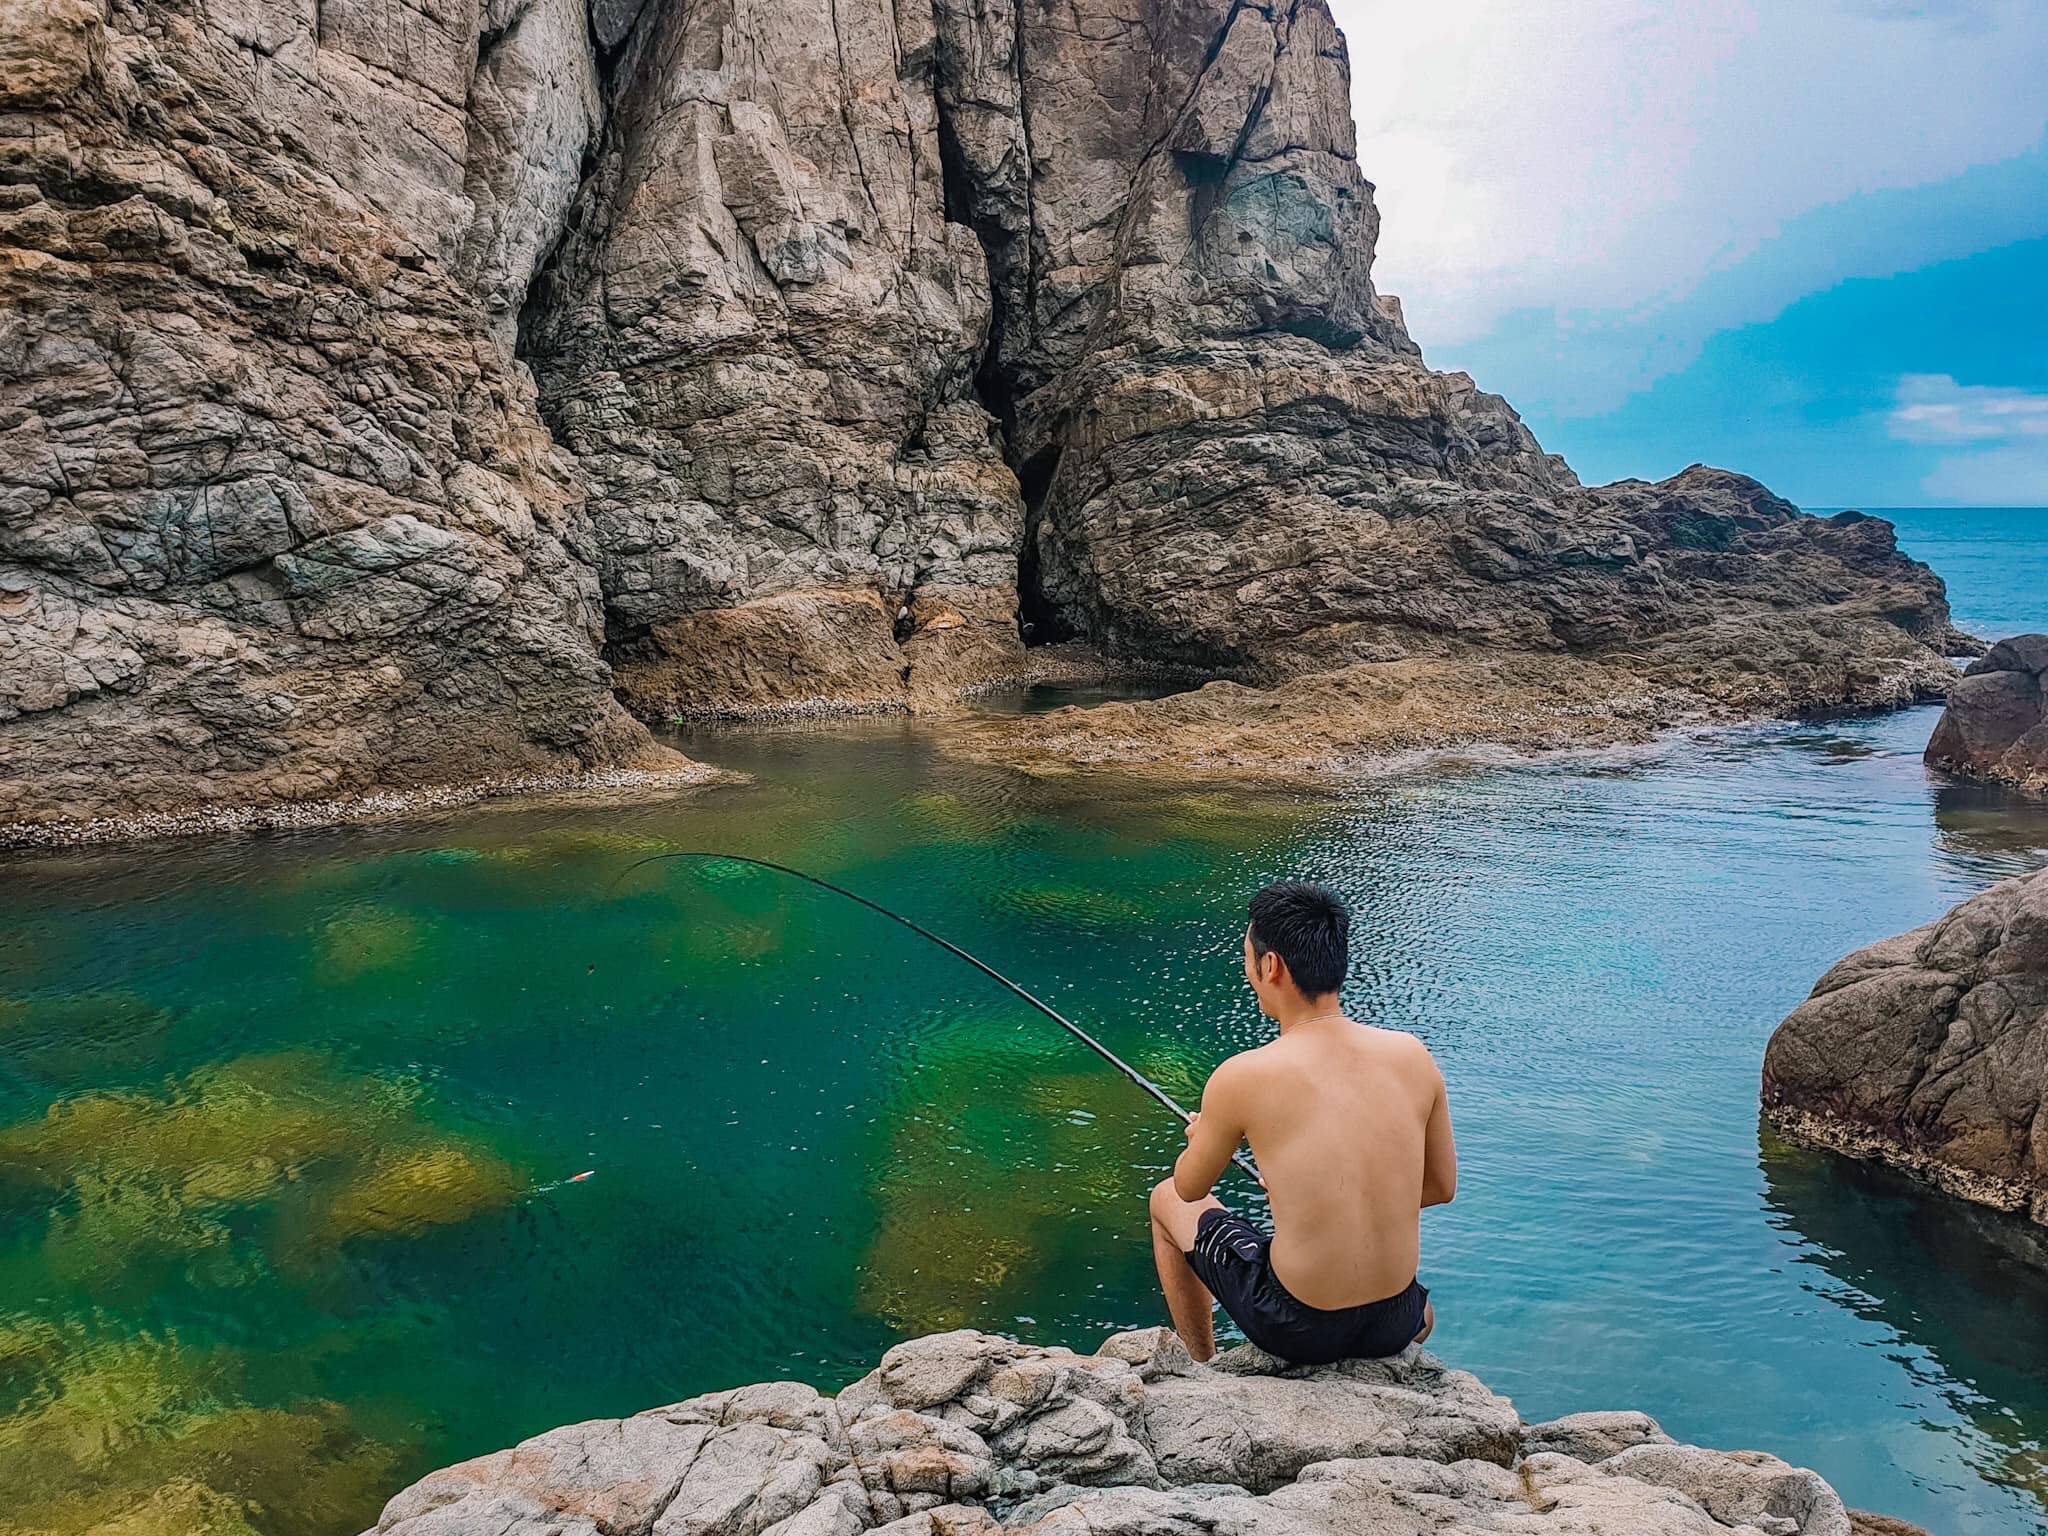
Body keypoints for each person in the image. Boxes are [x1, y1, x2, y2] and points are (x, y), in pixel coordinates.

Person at [1148, 880, 1456, 1364]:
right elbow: (1440, 1187)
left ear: (1271, 966)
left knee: (1164, 1198)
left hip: (1298, 1326)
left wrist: (1201, 1138)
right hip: (1396, 1321)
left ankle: (1201, 1365)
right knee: (1421, 1310)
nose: (1247, 970)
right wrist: (1316, 1198)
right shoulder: (1412, 1055)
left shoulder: (1243, 1075)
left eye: (1247, 957)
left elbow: (1189, 1187)